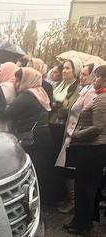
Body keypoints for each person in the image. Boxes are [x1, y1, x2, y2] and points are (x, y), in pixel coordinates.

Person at [65, 65, 106, 234]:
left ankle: (83, 225)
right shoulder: (99, 96)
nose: (93, 80)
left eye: (96, 77)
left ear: (104, 79)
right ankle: (80, 221)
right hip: (90, 147)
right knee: (82, 186)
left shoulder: (103, 99)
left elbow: (97, 128)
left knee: (86, 187)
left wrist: (77, 135)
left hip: (94, 148)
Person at [4, 67, 53, 202]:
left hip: (31, 137)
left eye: (18, 80)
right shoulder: (40, 92)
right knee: (39, 168)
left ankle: (29, 199)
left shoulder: (27, 95)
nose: (15, 84)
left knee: (29, 169)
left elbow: (7, 114)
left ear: (26, 80)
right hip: (42, 134)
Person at [55, 63, 98, 214]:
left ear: (93, 76)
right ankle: (70, 199)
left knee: (71, 170)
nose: (82, 76)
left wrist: (77, 134)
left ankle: (73, 202)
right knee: (66, 168)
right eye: (82, 73)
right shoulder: (84, 90)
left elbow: (85, 116)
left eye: (85, 74)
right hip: (71, 135)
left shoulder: (92, 93)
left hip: (77, 136)